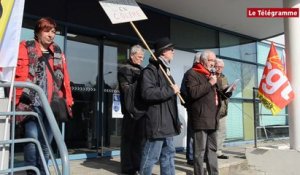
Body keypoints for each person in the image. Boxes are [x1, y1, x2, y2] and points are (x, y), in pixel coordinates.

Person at [15, 17, 73, 175]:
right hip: (29, 103)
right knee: (32, 140)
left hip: (50, 105)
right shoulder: (25, 47)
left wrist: (68, 100)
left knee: (46, 143)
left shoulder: (58, 52)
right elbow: (15, 73)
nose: (51, 35)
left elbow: (65, 78)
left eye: (53, 31)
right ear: (38, 32)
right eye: (46, 31)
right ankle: (32, 172)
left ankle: (43, 171)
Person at [184, 50, 231, 175]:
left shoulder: (210, 74)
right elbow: (193, 93)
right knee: (199, 151)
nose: (213, 63)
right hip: (200, 118)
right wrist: (210, 83)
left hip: (213, 117)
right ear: (203, 60)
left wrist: (228, 91)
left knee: (212, 150)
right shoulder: (192, 73)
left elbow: (218, 94)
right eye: (211, 60)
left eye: (214, 61)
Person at [139, 37, 181, 175]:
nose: (173, 52)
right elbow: (147, 93)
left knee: (168, 155)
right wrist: (170, 90)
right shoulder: (149, 71)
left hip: (168, 123)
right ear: (163, 52)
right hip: (157, 123)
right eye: (171, 49)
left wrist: (176, 120)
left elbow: (170, 100)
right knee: (151, 156)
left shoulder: (166, 71)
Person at [118, 44, 145, 175]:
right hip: (130, 111)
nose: (141, 59)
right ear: (132, 55)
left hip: (141, 111)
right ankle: (127, 168)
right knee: (128, 140)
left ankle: (137, 166)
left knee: (138, 140)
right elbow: (127, 90)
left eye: (143, 57)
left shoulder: (142, 70)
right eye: (139, 57)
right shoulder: (125, 69)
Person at [180, 52, 203, 166]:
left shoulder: (204, 74)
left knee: (199, 134)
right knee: (192, 133)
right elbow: (183, 92)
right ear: (197, 61)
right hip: (193, 108)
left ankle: (198, 156)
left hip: (203, 110)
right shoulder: (189, 74)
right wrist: (188, 105)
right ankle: (190, 157)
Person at [215, 58, 233, 159]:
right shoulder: (211, 76)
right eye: (218, 66)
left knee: (222, 131)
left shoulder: (224, 77)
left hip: (223, 109)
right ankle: (211, 152)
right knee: (213, 131)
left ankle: (218, 151)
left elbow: (226, 94)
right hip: (213, 109)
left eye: (221, 67)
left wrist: (230, 90)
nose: (219, 68)